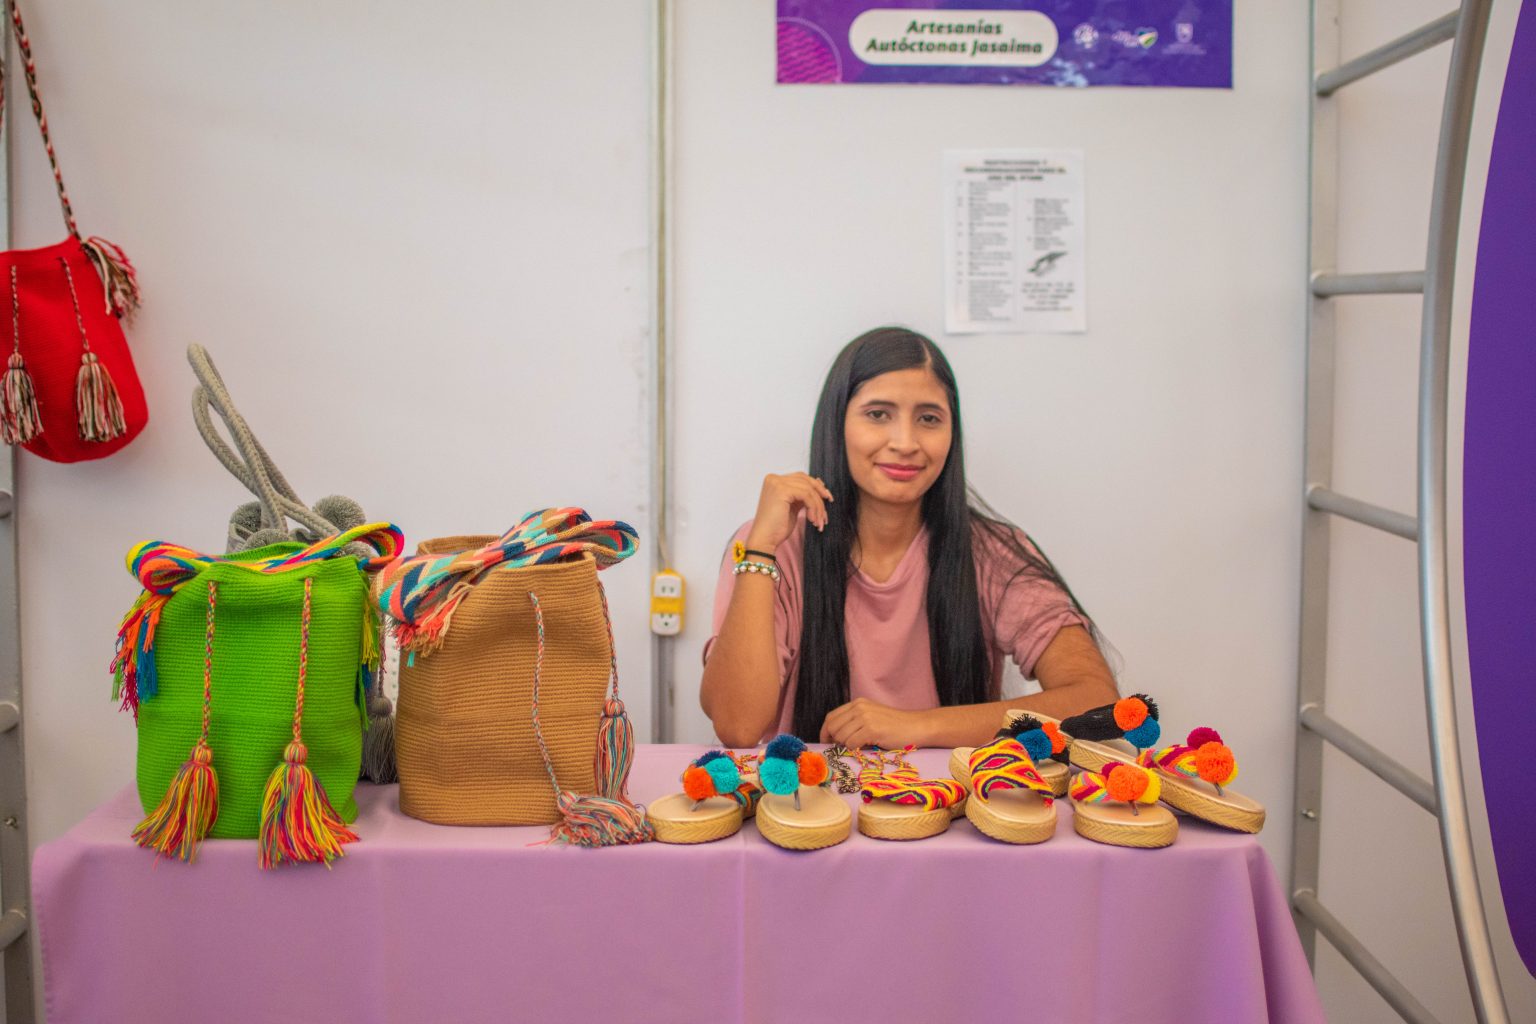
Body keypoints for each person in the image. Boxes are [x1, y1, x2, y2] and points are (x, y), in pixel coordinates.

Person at [700, 326, 1119, 749]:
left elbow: (1097, 701)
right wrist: (760, 548)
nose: (905, 442)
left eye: (929, 419)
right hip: (807, 792)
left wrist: (916, 726)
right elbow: (737, 727)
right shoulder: (771, 546)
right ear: (837, 423)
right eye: (878, 414)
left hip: (951, 791)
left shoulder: (990, 552)